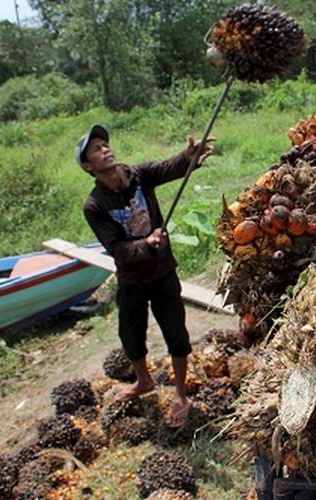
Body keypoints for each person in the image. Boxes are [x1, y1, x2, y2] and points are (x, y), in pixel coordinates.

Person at [76, 124, 213, 428]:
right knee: (131, 335)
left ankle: (180, 394)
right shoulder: (95, 205)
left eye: (105, 144)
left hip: (163, 272)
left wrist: (187, 157)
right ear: (88, 166)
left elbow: (169, 167)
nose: (105, 149)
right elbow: (117, 249)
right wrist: (147, 244)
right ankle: (144, 380)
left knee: (176, 332)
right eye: (96, 149)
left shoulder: (139, 175)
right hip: (132, 279)